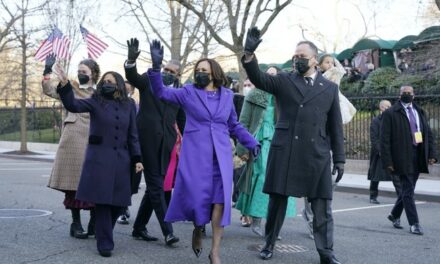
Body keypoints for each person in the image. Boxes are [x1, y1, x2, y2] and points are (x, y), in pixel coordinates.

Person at [147, 39, 259, 264]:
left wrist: (251, 142)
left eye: (204, 71)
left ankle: (215, 252)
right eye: (197, 70)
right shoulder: (187, 92)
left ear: (214, 73)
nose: (200, 74)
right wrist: (156, 68)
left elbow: (234, 125)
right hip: (196, 157)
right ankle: (198, 228)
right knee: (199, 201)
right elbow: (160, 92)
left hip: (221, 157)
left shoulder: (227, 96)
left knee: (220, 202)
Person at [242, 27, 345, 264]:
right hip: (286, 150)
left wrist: (339, 158)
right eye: (295, 56)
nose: (297, 59)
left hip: (316, 154)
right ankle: (268, 244)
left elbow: (335, 126)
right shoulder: (284, 80)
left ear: (315, 60)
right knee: (277, 203)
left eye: (302, 56)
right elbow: (258, 78)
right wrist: (249, 53)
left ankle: (326, 253)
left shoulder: (329, 88)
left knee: (322, 208)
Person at [54, 66, 144, 257]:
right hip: (99, 159)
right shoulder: (96, 101)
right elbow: (73, 105)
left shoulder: (129, 105)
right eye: (104, 82)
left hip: (122, 159)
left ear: (119, 86)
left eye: (110, 82)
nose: (106, 84)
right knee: (103, 202)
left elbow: (133, 134)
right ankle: (105, 243)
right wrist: (64, 84)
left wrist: (137, 158)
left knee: (120, 202)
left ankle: (103, 230)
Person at [124, 38, 183, 245]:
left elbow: (182, 123)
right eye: (165, 69)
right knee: (157, 187)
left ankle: (139, 227)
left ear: (178, 76)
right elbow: (131, 76)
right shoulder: (149, 80)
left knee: (152, 190)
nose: (167, 73)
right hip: (144, 143)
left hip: (165, 147)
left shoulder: (181, 93)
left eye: (172, 71)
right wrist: (131, 60)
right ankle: (168, 232)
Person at [43, 53, 100, 239]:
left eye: (83, 71)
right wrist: (47, 72)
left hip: (95, 137)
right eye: (78, 71)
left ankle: (94, 221)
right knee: (73, 182)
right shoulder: (70, 86)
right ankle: (76, 224)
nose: (80, 74)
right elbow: (49, 91)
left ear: (93, 73)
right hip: (73, 137)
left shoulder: (100, 92)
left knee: (94, 180)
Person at [236, 66, 296, 237]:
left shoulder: (285, 95)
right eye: (267, 74)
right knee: (261, 177)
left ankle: (273, 226)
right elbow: (244, 121)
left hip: (281, 142)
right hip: (259, 142)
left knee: (280, 182)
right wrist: (242, 147)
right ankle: (256, 220)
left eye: (274, 74)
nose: (270, 76)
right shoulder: (254, 94)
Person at [381, 85, 437, 235]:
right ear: (399, 95)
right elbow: (384, 140)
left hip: (418, 154)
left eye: (409, 93)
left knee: (408, 189)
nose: (407, 95)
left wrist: (432, 154)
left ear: (414, 95)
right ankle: (414, 223)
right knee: (408, 189)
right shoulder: (391, 113)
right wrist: (388, 162)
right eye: (404, 93)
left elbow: (428, 134)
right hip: (401, 156)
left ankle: (394, 215)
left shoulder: (419, 111)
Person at [117, 80, 140, 225]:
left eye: (128, 89)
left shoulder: (134, 105)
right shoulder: (111, 104)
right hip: (118, 147)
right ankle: (121, 209)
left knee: (132, 181)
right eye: (123, 89)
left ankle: (124, 205)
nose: (125, 92)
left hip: (133, 148)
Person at [367, 100, 392, 204]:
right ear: (381, 108)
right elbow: (374, 138)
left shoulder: (392, 120)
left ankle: (402, 196)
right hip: (379, 153)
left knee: (397, 175)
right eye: (387, 106)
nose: (390, 108)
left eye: (390, 106)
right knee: (375, 176)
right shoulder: (376, 121)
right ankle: (373, 196)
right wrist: (380, 151)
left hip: (391, 152)